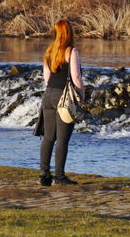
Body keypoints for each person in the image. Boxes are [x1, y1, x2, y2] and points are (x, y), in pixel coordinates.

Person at [39, 19, 84, 186]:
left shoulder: (49, 51)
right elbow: (76, 77)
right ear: (69, 33)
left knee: (48, 137)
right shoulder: (71, 51)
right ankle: (59, 177)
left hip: (48, 95)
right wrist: (81, 96)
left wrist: (52, 90)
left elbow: (46, 77)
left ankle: (44, 175)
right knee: (63, 139)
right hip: (63, 97)